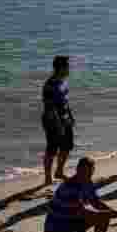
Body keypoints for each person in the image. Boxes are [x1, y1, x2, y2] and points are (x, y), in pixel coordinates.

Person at [41, 56, 75, 185]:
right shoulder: (50, 84)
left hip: (65, 118)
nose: (69, 69)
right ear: (60, 68)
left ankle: (59, 171)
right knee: (52, 149)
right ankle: (47, 177)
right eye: (67, 66)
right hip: (52, 120)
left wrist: (70, 116)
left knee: (67, 146)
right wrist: (58, 125)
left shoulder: (63, 81)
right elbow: (49, 107)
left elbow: (65, 102)